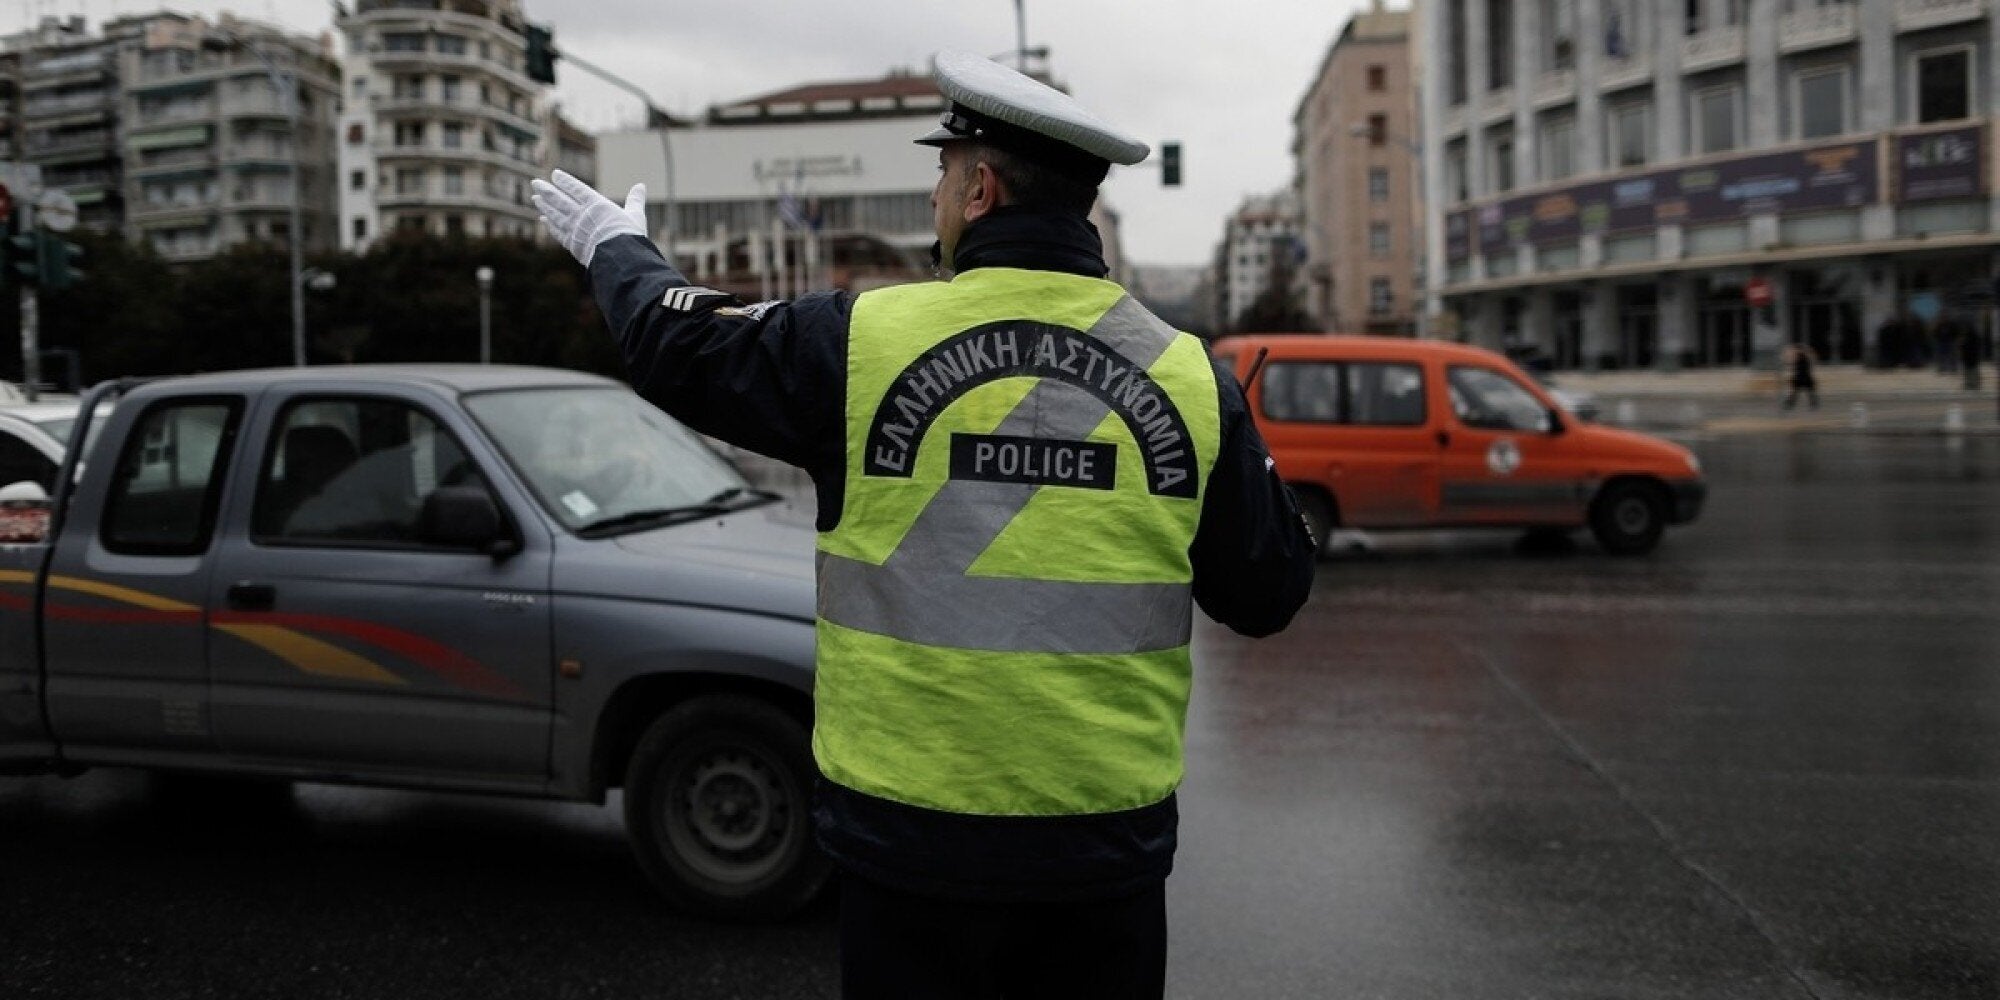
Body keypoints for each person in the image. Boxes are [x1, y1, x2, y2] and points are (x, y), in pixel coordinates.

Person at [533, 50, 1316, 998]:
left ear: (981, 189)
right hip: (1100, 858)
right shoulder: (1189, 378)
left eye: (944, 173)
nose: (936, 195)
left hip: (907, 850)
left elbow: (682, 344)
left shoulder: (862, 342)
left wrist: (621, 252)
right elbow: (1269, 594)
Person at [1782, 341, 1819, 410]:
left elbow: (1813, 360)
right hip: (1800, 378)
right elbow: (1790, 364)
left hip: (1803, 377)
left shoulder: (1803, 357)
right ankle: (1789, 405)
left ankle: (1813, 405)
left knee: (1809, 393)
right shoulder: (1799, 357)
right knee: (1796, 393)